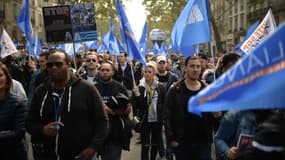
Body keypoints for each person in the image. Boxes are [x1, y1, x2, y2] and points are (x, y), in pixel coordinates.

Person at [26, 49, 109, 160]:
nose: (54, 67)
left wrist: (92, 148)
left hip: (81, 156)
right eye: (50, 65)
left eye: (59, 64)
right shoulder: (41, 91)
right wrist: (42, 129)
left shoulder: (87, 89)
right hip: (48, 155)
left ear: (68, 65)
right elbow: (29, 122)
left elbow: (102, 121)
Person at [164, 56, 220, 160]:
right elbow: (167, 116)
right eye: (192, 66)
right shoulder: (175, 90)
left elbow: (214, 117)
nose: (195, 69)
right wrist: (171, 139)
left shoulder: (207, 90)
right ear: (185, 68)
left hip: (203, 143)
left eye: (198, 66)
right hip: (182, 143)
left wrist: (217, 114)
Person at [95, 61, 132, 160]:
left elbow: (127, 110)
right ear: (99, 72)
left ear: (112, 72)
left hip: (115, 134)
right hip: (99, 134)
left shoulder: (120, 88)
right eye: (102, 70)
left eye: (107, 70)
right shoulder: (94, 88)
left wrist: (111, 111)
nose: (105, 72)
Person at [133, 61, 166, 160]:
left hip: (157, 119)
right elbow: (140, 106)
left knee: (155, 144)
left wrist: (164, 117)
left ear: (154, 73)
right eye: (145, 72)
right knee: (145, 145)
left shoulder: (159, 87)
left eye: (149, 72)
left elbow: (164, 103)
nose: (147, 73)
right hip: (145, 120)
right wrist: (138, 95)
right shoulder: (140, 87)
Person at [0, 62, 28, 160]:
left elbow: (19, 132)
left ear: (7, 77)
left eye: (0, 75)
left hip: (13, 154)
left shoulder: (19, 102)